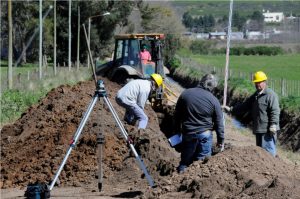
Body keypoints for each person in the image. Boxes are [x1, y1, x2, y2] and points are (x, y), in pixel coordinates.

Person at [174, 74, 225, 173]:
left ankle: (179, 179)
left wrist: (176, 132)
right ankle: (198, 182)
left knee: (185, 162)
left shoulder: (185, 94)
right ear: (212, 87)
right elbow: (219, 122)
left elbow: (176, 116)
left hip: (188, 133)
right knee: (202, 163)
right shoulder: (214, 100)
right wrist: (220, 140)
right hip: (205, 134)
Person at [222, 71, 280, 157]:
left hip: (268, 130)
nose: (257, 84)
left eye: (259, 82)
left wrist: (273, 125)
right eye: (256, 83)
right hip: (259, 128)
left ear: (264, 82)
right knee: (260, 153)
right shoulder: (256, 95)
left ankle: (272, 170)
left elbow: (275, 111)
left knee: (269, 154)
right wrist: (231, 109)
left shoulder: (270, 95)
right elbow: (245, 106)